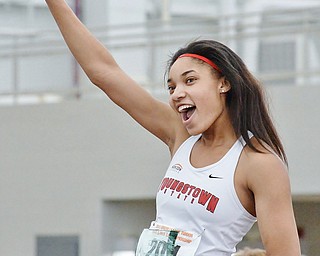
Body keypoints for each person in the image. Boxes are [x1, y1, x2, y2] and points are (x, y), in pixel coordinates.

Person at [45, 1, 301, 255]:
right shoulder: (179, 135)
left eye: (190, 80)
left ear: (224, 83)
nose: (177, 93)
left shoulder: (258, 163)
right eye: (171, 87)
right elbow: (103, 72)